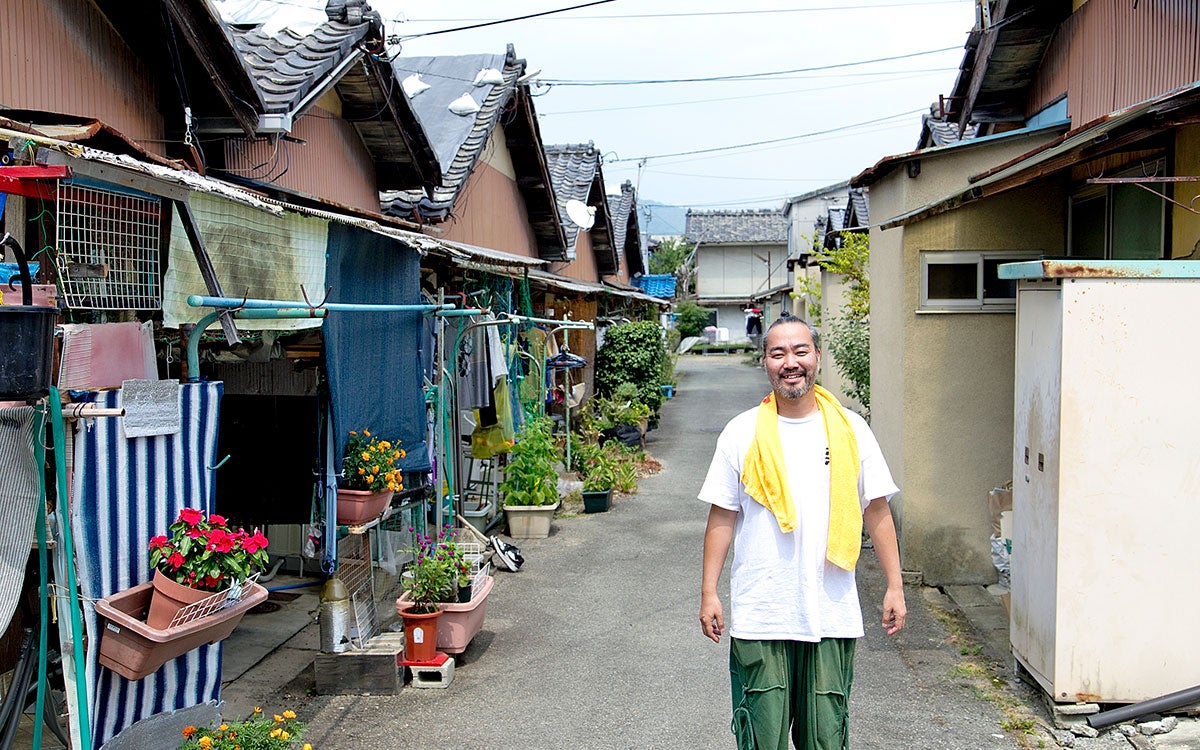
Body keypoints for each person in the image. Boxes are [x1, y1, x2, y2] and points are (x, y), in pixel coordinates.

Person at [698, 314, 905, 750]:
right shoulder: (742, 431)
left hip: (830, 609)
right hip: (762, 612)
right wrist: (709, 593)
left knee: (827, 737)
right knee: (761, 738)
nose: (790, 362)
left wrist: (895, 586)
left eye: (800, 351)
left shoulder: (851, 430)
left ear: (817, 357)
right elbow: (723, 514)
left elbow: (877, 507)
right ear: (766, 363)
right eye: (778, 353)